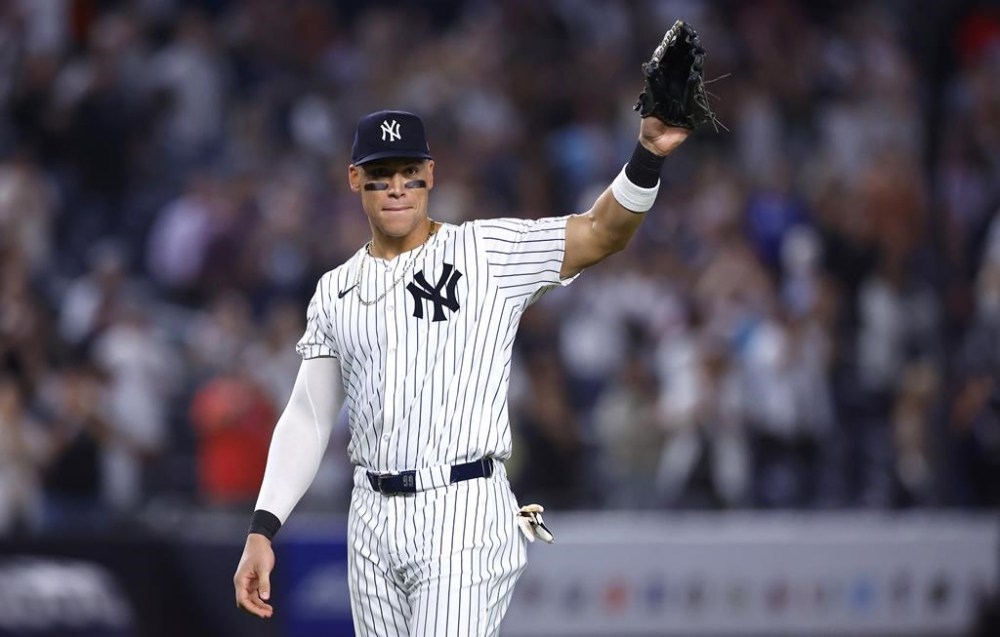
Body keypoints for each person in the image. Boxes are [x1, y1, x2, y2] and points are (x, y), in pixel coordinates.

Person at [233, 90, 692, 637]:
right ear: (355, 179)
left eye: (409, 171)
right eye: (382, 173)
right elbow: (308, 416)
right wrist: (263, 527)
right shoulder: (336, 290)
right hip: (371, 516)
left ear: (430, 174)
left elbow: (601, 232)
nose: (398, 186)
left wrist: (647, 155)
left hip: (463, 507)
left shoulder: (487, 252)